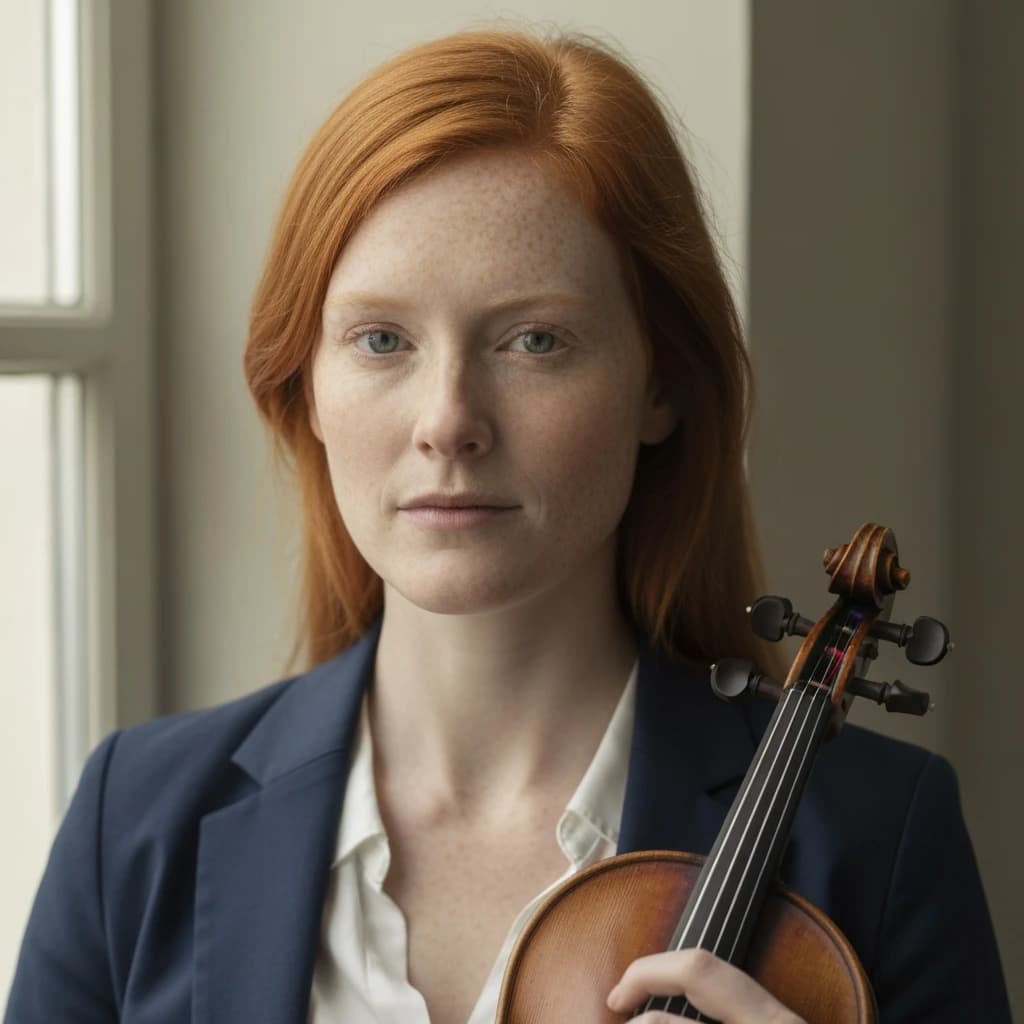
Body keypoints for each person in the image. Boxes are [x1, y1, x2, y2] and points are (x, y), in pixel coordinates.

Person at [5, 26, 1012, 1024]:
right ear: (304, 385)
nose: (448, 420)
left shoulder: (878, 833)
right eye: (381, 339)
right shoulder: (132, 816)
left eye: (536, 339)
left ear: (660, 383)